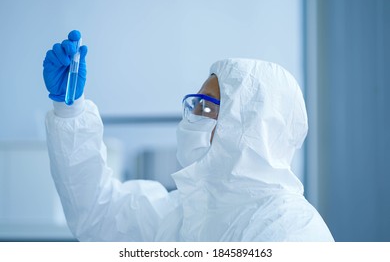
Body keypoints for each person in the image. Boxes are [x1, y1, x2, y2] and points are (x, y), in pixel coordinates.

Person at [43, 30, 334, 242]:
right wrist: (71, 110)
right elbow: (99, 213)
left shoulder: (291, 230)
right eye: (194, 104)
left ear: (252, 128)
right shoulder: (186, 214)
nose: (193, 116)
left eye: (206, 106)